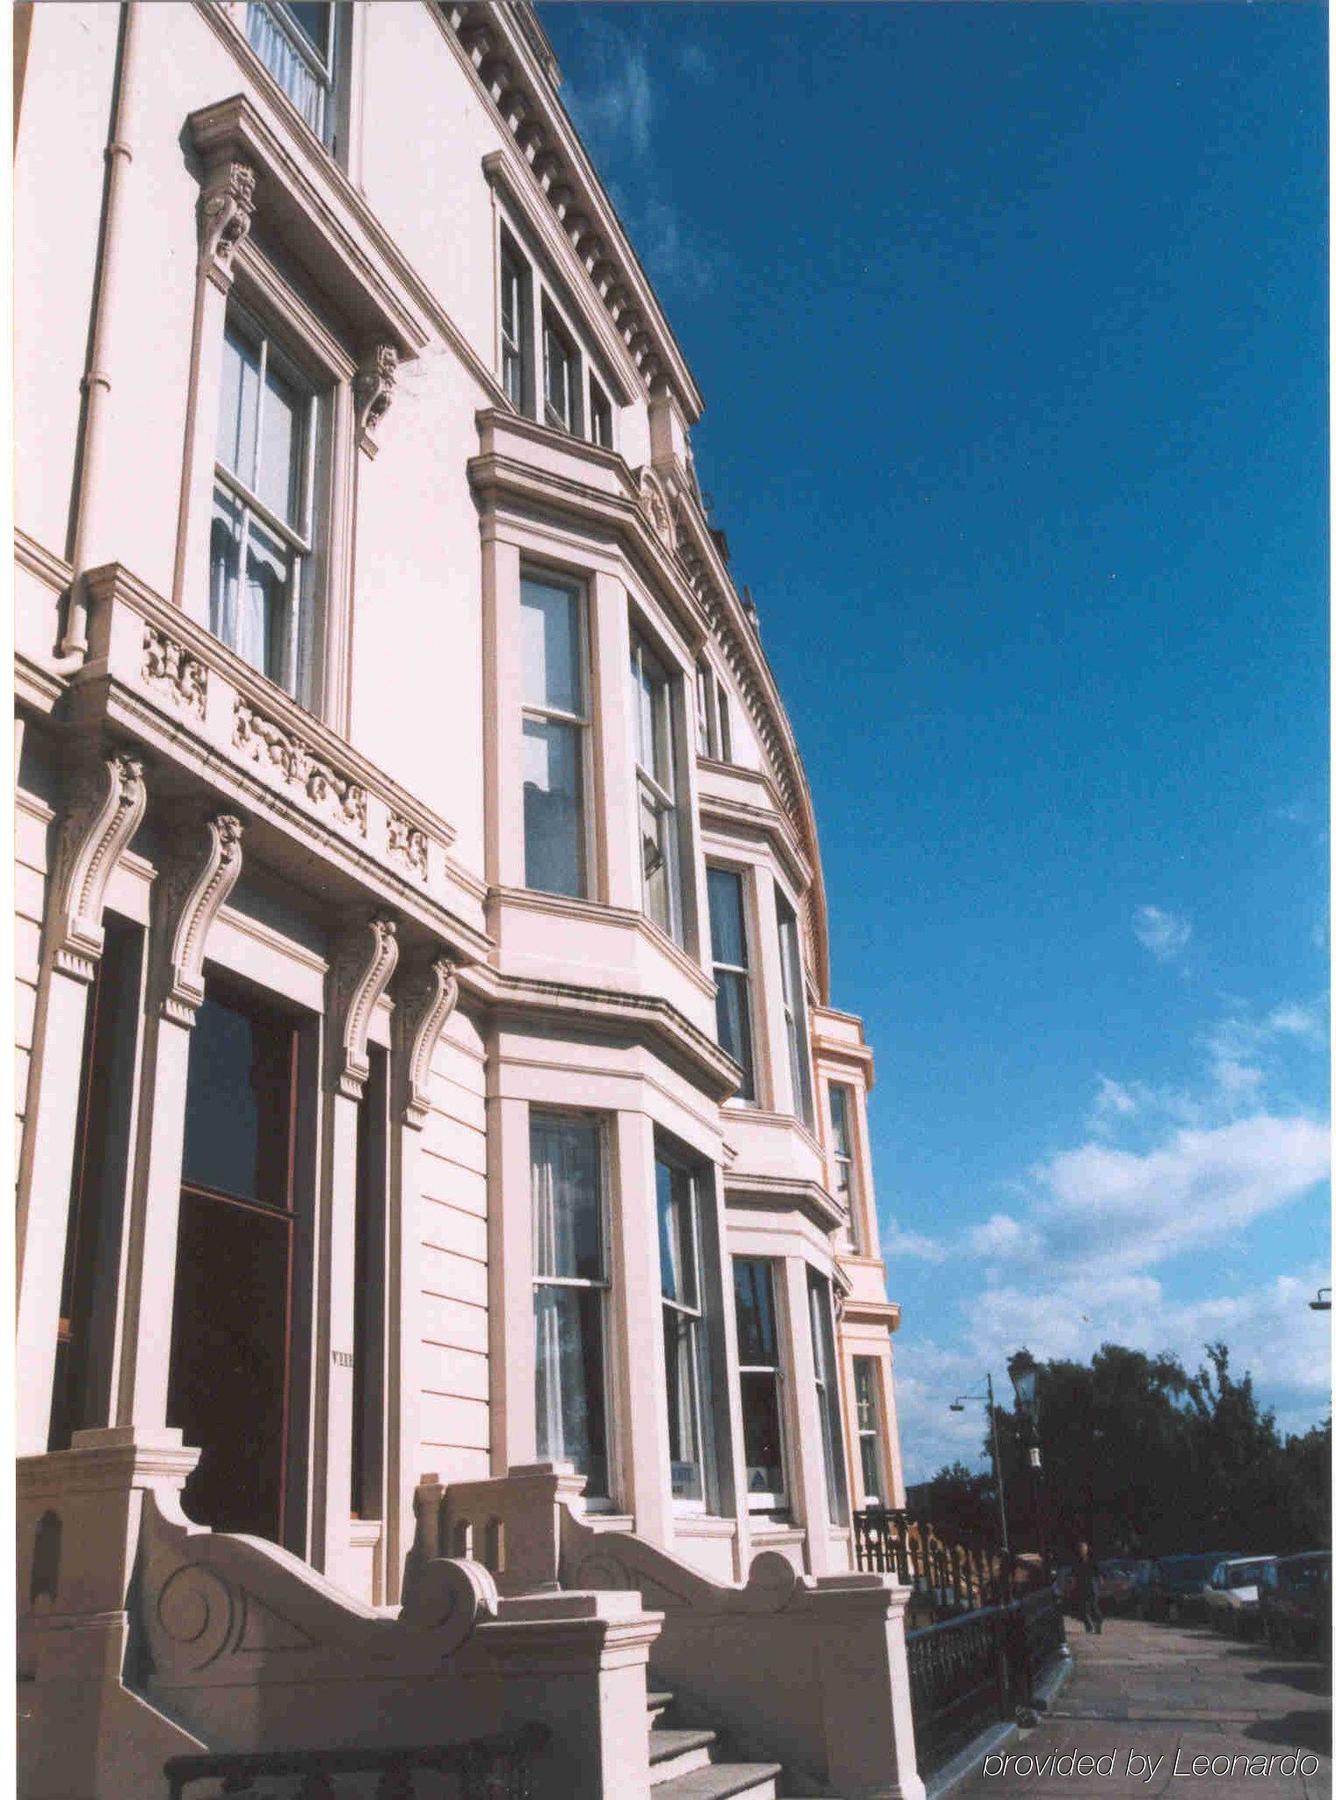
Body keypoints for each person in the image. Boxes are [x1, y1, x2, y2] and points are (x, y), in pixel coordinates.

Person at [1073, 1541, 1102, 1634]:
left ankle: (1098, 1625)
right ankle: (1088, 1626)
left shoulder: (1092, 1559)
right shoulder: (1076, 1561)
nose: (1082, 1550)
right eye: (1081, 1549)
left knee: (1094, 1606)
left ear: (1087, 1549)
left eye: (1084, 1548)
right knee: (1084, 1609)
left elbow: (1098, 1572)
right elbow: (1074, 1574)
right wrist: (1074, 1584)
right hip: (1081, 1585)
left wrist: (1100, 1581)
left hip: (1092, 1584)